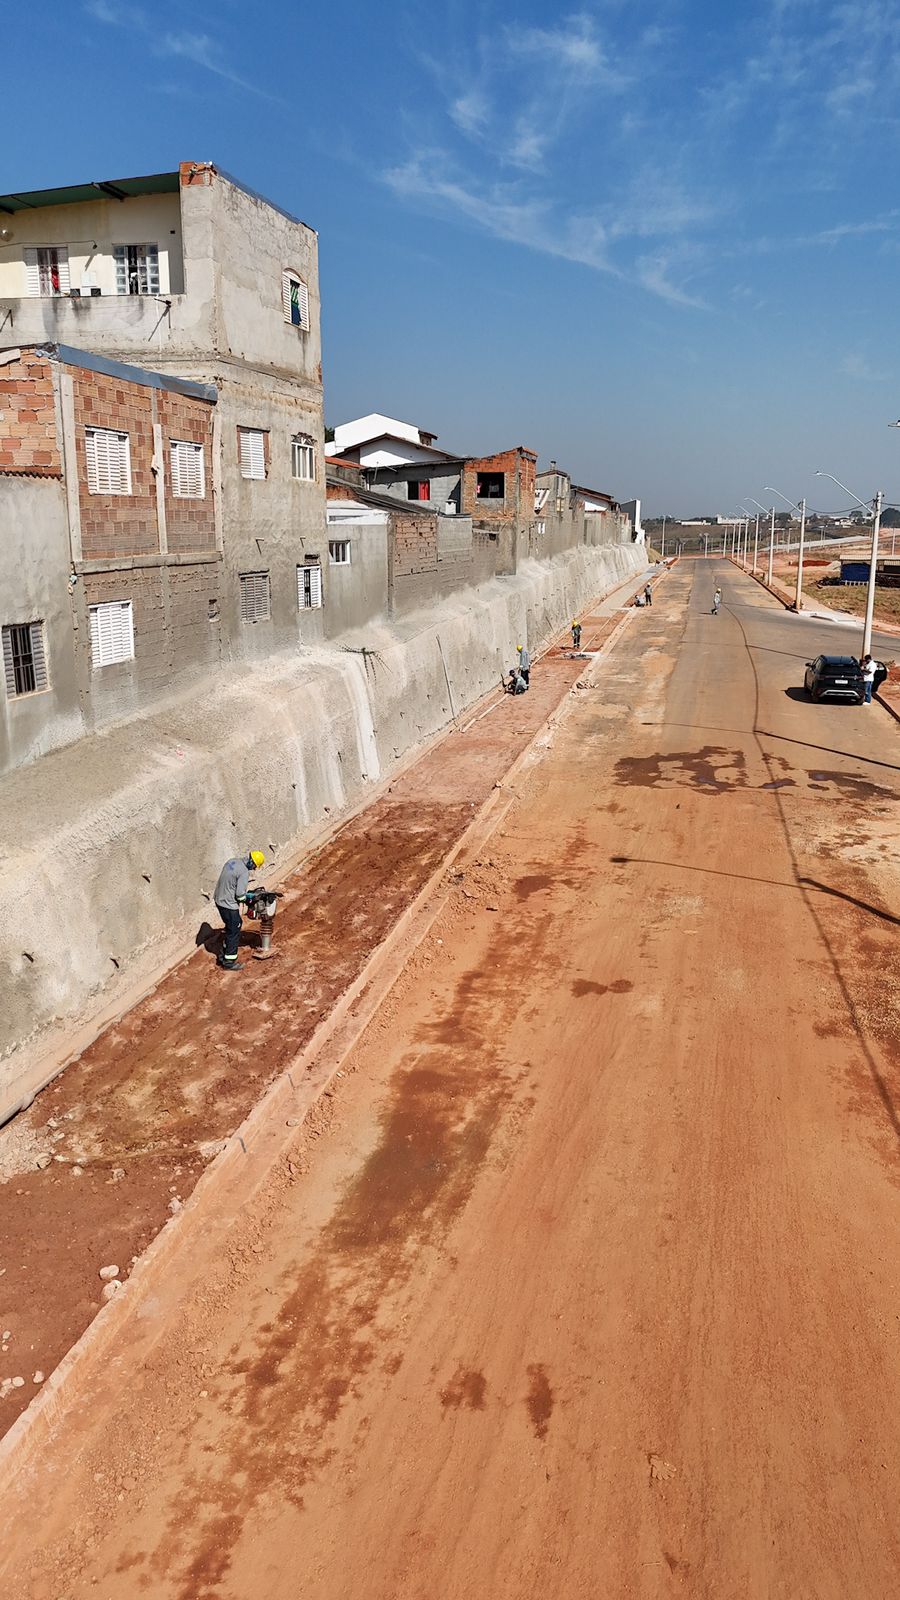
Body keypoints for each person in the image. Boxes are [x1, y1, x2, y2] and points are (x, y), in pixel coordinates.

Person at [214, 850, 265, 971]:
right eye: (254, 867)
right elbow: (240, 895)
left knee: (231, 926)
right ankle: (229, 962)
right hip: (228, 904)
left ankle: (223, 954)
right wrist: (249, 899)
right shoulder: (244, 872)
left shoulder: (232, 861)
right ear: (252, 862)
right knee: (234, 930)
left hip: (218, 899)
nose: (253, 869)